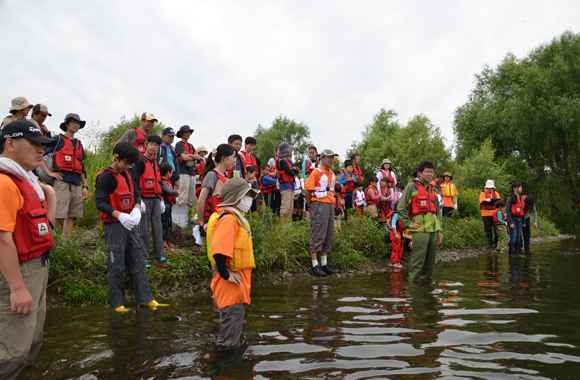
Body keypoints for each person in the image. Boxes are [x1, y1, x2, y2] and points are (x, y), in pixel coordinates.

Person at [0, 119, 57, 379]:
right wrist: (17, 288)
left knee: (32, 341)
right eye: (34, 144)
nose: (41, 150)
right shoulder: (4, 183)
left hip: (37, 266)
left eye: (43, 145)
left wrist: (50, 195)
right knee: (12, 353)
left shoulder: (28, 179)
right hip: (19, 272)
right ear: (10, 144)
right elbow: (2, 240)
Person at [95, 142, 165, 312]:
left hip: (130, 224)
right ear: (116, 158)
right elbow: (99, 202)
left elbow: (137, 194)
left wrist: (135, 208)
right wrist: (118, 214)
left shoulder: (126, 174)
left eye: (131, 164)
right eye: (126, 163)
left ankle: (146, 299)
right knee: (116, 264)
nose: (128, 166)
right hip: (114, 225)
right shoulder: (105, 176)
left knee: (138, 260)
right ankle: (118, 303)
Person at [206, 178, 259, 349]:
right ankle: (225, 372)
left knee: (230, 337)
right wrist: (226, 274)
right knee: (228, 344)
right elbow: (219, 250)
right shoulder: (229, 219)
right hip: (232, 289)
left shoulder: (235, 217)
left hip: (237, 287)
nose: (250, 199)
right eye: (248, 195)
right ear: (237, 198)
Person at [39, 113, 88, 238]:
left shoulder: (79, 144)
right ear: (66, 124)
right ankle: (53, 243)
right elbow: (39, 156)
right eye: (73, 122)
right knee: (58, 215)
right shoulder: (58, 139)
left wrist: (85, 186)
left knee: (72, 215)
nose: (76, 125)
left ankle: (66, 245)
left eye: (78, 123)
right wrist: (50, 173)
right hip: (62, 181)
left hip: (77, 182)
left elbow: (81, 166)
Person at [396, 161, 443, 282]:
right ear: (420, 173)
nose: (430, 174)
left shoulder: (432, 189)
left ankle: (426, 288)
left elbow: (437, 213)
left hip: (433, 229)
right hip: (420, 230)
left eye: (432, 172)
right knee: (418, 260)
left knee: (430, 261)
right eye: (427, 171)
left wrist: (439, 232)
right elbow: (400, 207)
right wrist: (408, 224)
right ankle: (413, 287)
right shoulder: (412, 186)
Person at [132, 134, 168, 266]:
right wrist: (138, 200)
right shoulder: (140, 161)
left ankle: (160, 255)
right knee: (144, 229)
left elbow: (159, 181)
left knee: (158, 228)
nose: (154, 147)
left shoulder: (156, 162)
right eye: (152, 144)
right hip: (144, 199)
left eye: (157, 145)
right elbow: (134, 181)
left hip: (156, 200)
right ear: (146, 144)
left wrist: (162, 199)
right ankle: (144, 256)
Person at [305, 149, 339, 277]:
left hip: (330, 204)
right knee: (318, 233)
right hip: (318, 204)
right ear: (322, 159)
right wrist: (312, 205)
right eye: (329, 157)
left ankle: (324, 263)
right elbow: (308, 191)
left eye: (333, 158)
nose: (332, 160)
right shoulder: (316, 172)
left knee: (329, 234)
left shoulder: (332, 174)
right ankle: (315, 265)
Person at [197, 144, 236, 230]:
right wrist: (201, 224)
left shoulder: (224, 176)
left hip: (223, 221)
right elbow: (201, 201)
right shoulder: (212, 175)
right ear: (224, 157)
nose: (235, 160)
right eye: (233, 157)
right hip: (212, 222)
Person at [175, 125, 201, 208]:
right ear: (182, 134)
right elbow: (184, 157)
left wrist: (189, 155)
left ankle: (187, 219)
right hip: (183, 171)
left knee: (192, 198)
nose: (188, 134)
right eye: (186, 132)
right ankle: (177, 219)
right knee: (182, 197)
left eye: (189, 132)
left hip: (191, 172)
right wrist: (192, 156)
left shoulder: (191, 146)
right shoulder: (179, 144)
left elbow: (198, 157)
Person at [276, 142, 297, 226]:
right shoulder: (281, 161)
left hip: (290, 185)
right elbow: (291, 173)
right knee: (285, 207)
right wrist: (294, 170)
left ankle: (287, 225)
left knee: (290, 208)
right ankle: (282, 226)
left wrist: (294, 170)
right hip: (285, 186)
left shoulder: (287, 161)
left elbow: (293, 171)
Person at [160, 162, 179, 248]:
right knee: (164, 223)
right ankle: (164, 240)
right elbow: (169, 191)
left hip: (169, 205)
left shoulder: (166, 181)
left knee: (168, 223)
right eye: (171, 172)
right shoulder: (163, 182)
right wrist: (176, 192)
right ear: (168, 173)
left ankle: (167, 240)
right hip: (165, 206)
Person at [479, 180, 502, 249]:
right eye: (489, 187)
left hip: (495, 214)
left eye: (491, 187)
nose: (490, 189)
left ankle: (496, 244)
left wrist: (489, 200)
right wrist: (493, 201)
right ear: (486, 187)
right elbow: (484, 203)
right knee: (488, 230)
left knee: (496, 230)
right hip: (485, 214)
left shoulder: (496, 193)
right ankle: (490, 244)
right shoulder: (482, 194)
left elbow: (499, 201)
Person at [506, 182, 525, 256]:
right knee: (513, 238)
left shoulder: (520, 198)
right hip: (513, 220)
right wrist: (510, 222)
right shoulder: (510, 198)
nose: (521, 188)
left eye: (521, 187)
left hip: (519, 220)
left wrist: (523, 221)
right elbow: (507, 210)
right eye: (519, 187)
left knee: (518, 238)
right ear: (514, 188)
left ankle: (516, 252)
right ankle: (510, 252)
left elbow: (522, 210)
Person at [388, 201, 405, 268]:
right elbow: (393, 224)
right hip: (396, 232)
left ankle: (397, 261)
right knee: (396, 247)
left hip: (399, 232)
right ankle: (394, 262)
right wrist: (396, 234)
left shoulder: (400, 214)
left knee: (400, 247)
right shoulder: (396, 215)